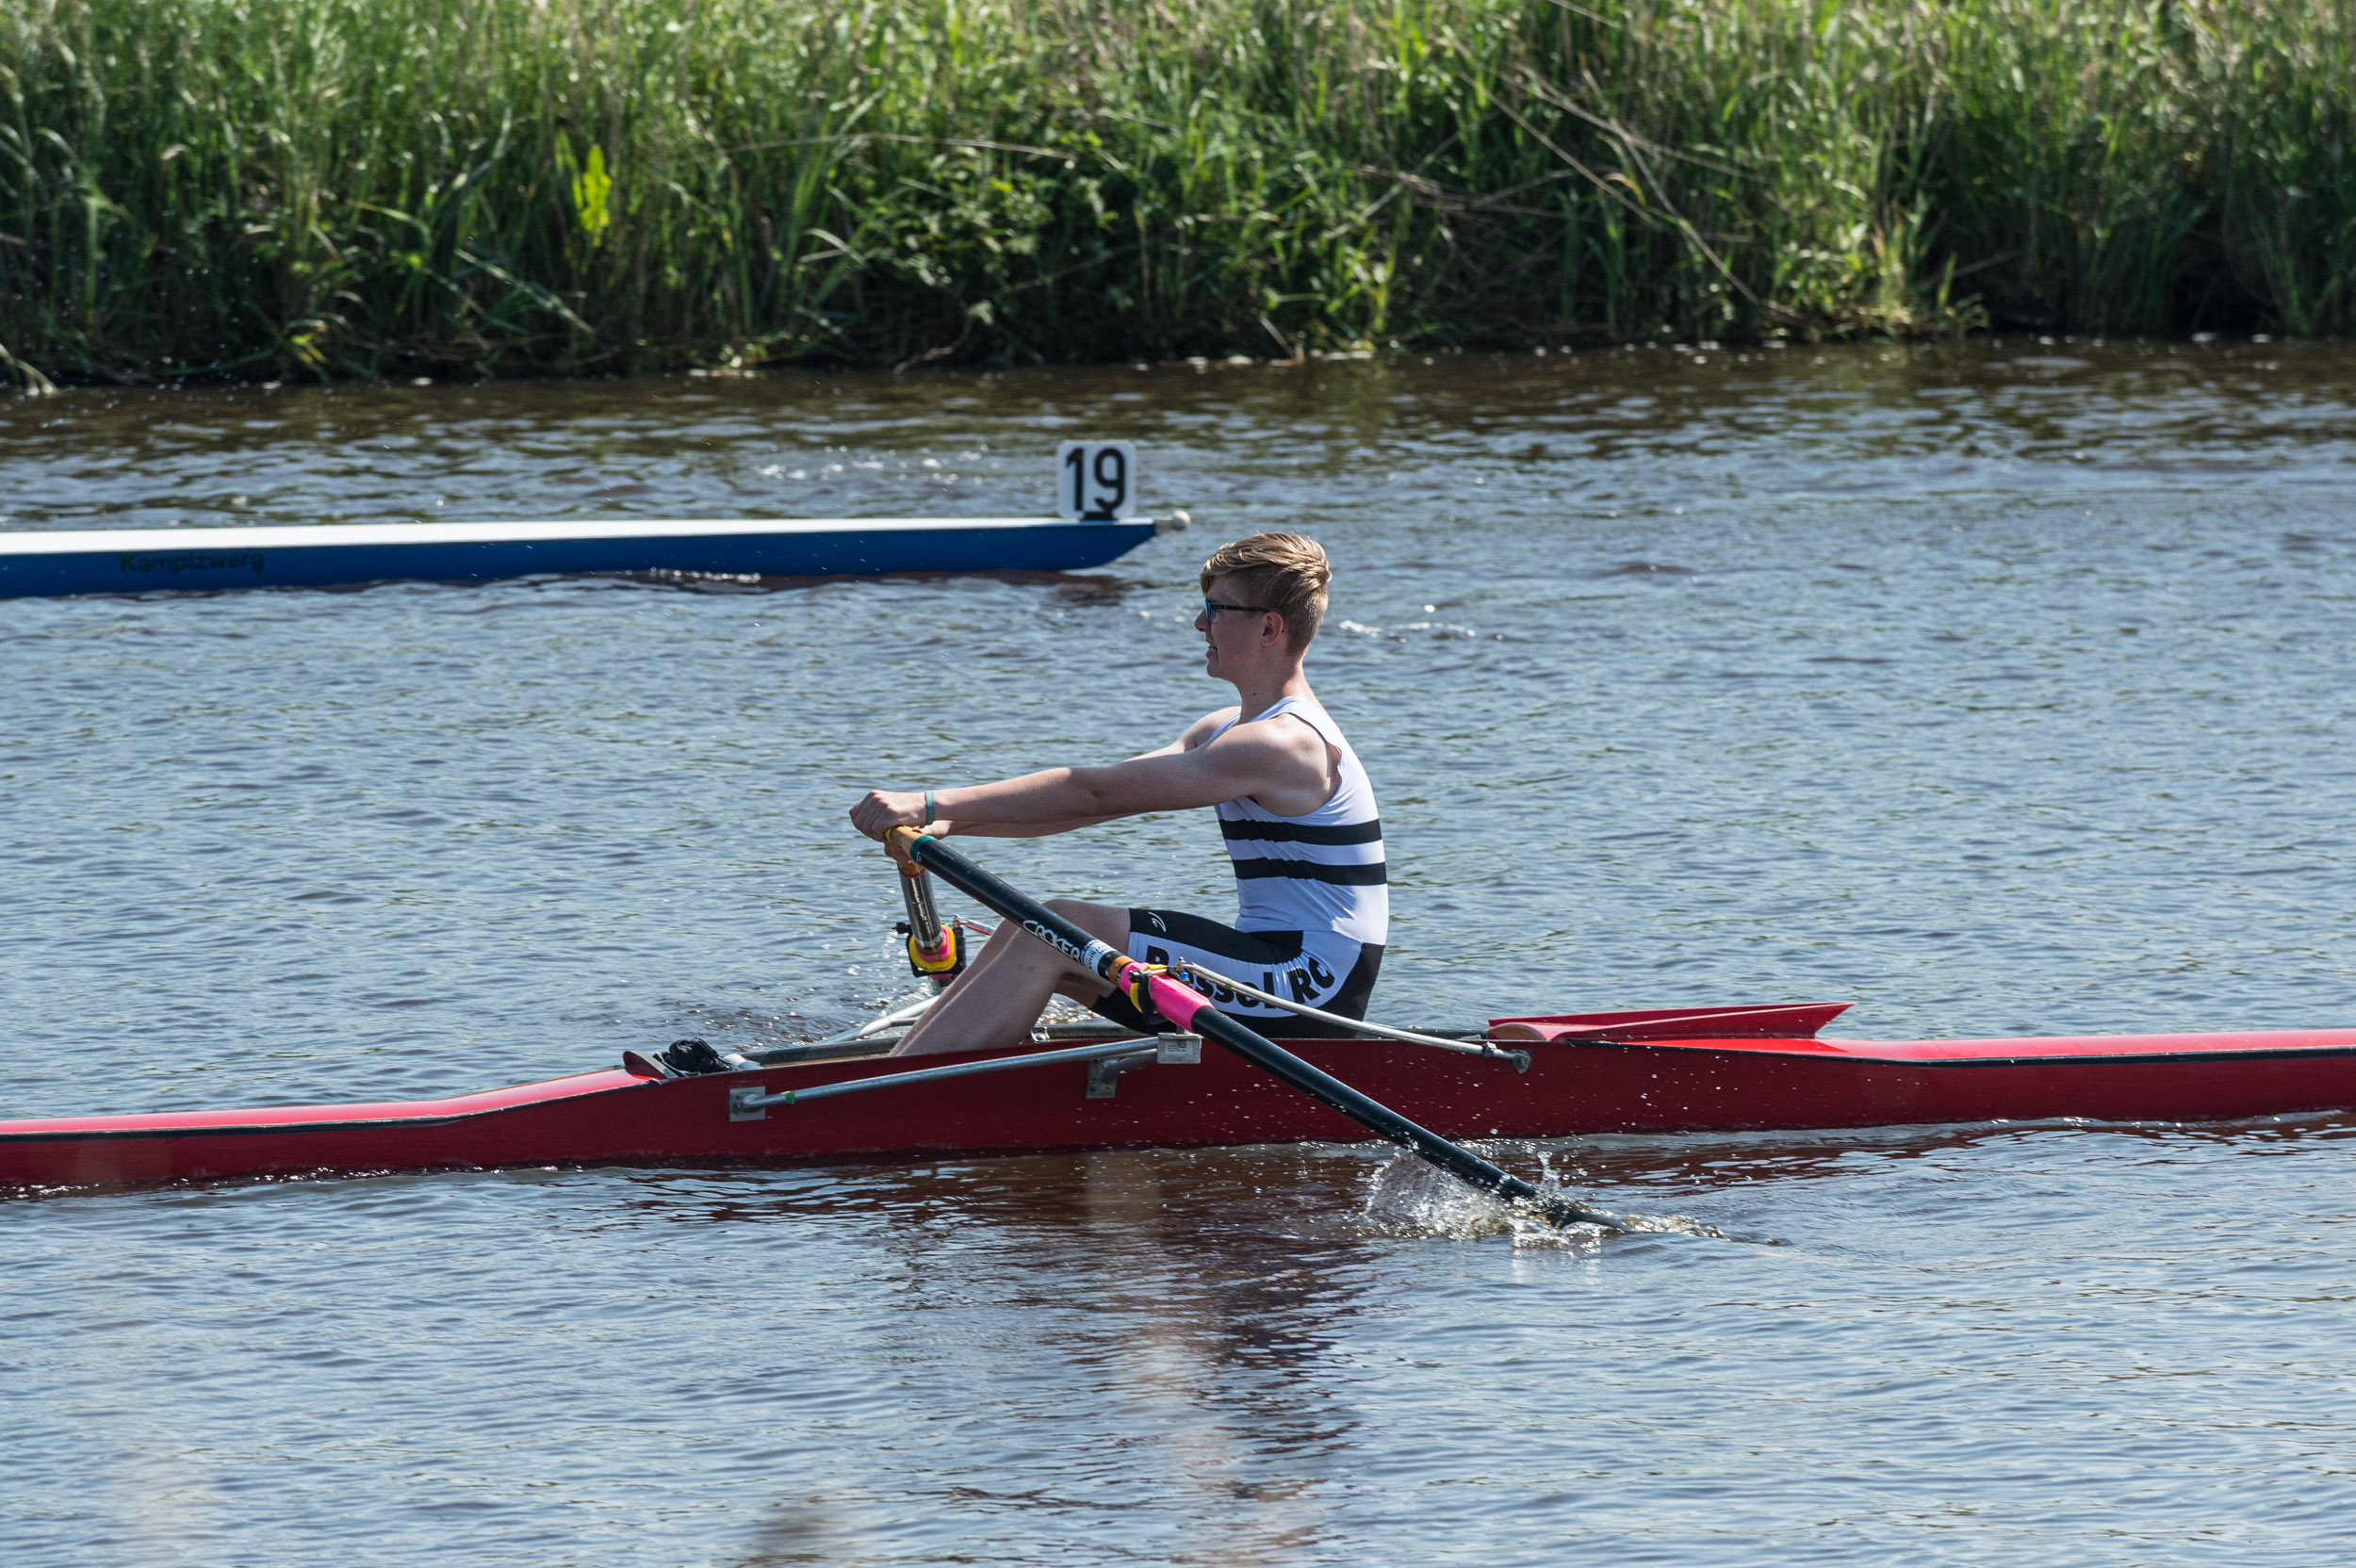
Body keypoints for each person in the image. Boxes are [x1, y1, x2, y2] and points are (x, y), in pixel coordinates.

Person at [847, 531, 1385, 1055]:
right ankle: (910, 1071)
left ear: (1269, 628)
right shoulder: (1226, 729)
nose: (1200, 623)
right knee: (1033, 925)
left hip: (1310, 986)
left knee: (1057, 927)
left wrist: (931, 802)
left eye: (1217, 609)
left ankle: (883, 1106)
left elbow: (1095, 793)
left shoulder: (1280, 743)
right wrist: (948, 825)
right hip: (1270, 966)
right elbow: (1089, 800)